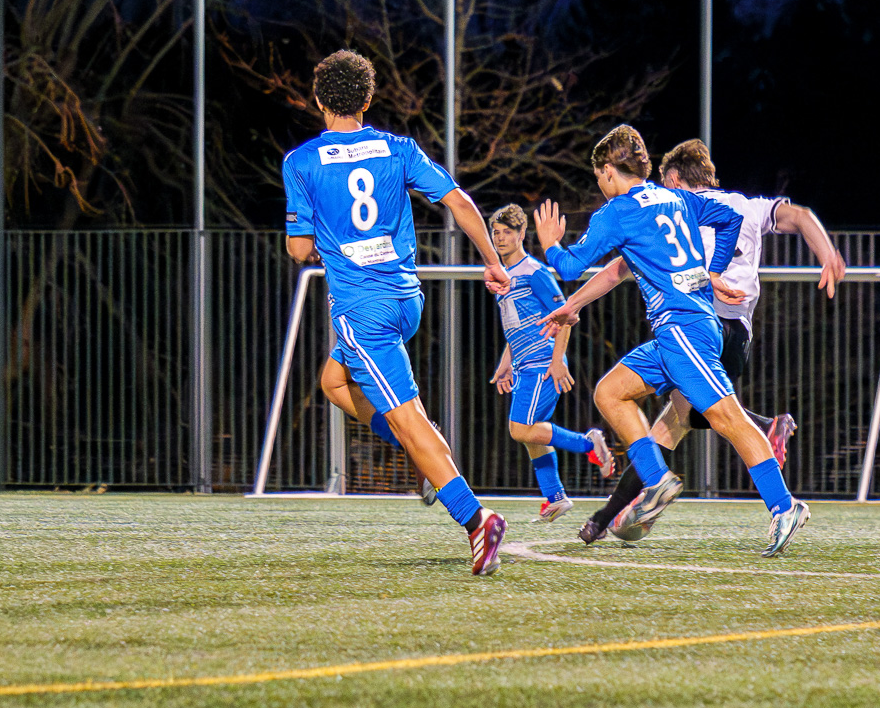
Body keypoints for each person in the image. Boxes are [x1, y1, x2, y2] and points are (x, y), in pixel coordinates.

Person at [282, 49, 512, 575]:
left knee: (407, 420)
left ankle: (475, 519)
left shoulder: (301, 161)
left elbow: (298, 251)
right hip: (405, 299)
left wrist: (326, 241)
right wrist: (493, 262)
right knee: (333, 382)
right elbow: (459, 203)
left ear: (319, 100)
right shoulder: (398, 149)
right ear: (367, 99)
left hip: (363, 310)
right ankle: (427, 451)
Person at [535, 124, 811, 556]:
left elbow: (570, 266)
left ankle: (784, 506)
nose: (600, 185)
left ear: (608, 170)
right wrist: (714, 270)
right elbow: (730, 217)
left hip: (685, 329)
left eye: (598, 176)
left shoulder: (618, 210)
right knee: (610, 393)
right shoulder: (675, 197)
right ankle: (657, 478)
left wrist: (550, 245)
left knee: (727, 418)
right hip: (675, 332)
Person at [484, 204, 616, 523]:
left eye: (507, 233)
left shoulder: (535, 272)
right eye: (495, 233)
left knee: (521, 429)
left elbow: (566, 316)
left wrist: (557, 361)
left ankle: (588, 444)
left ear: (521, 235)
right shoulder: (504, 276)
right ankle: (555, 498)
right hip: (523, 364)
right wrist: (506, 361)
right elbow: (516, 325)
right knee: (533, 436)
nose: (500, 239)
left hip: (541, 363)